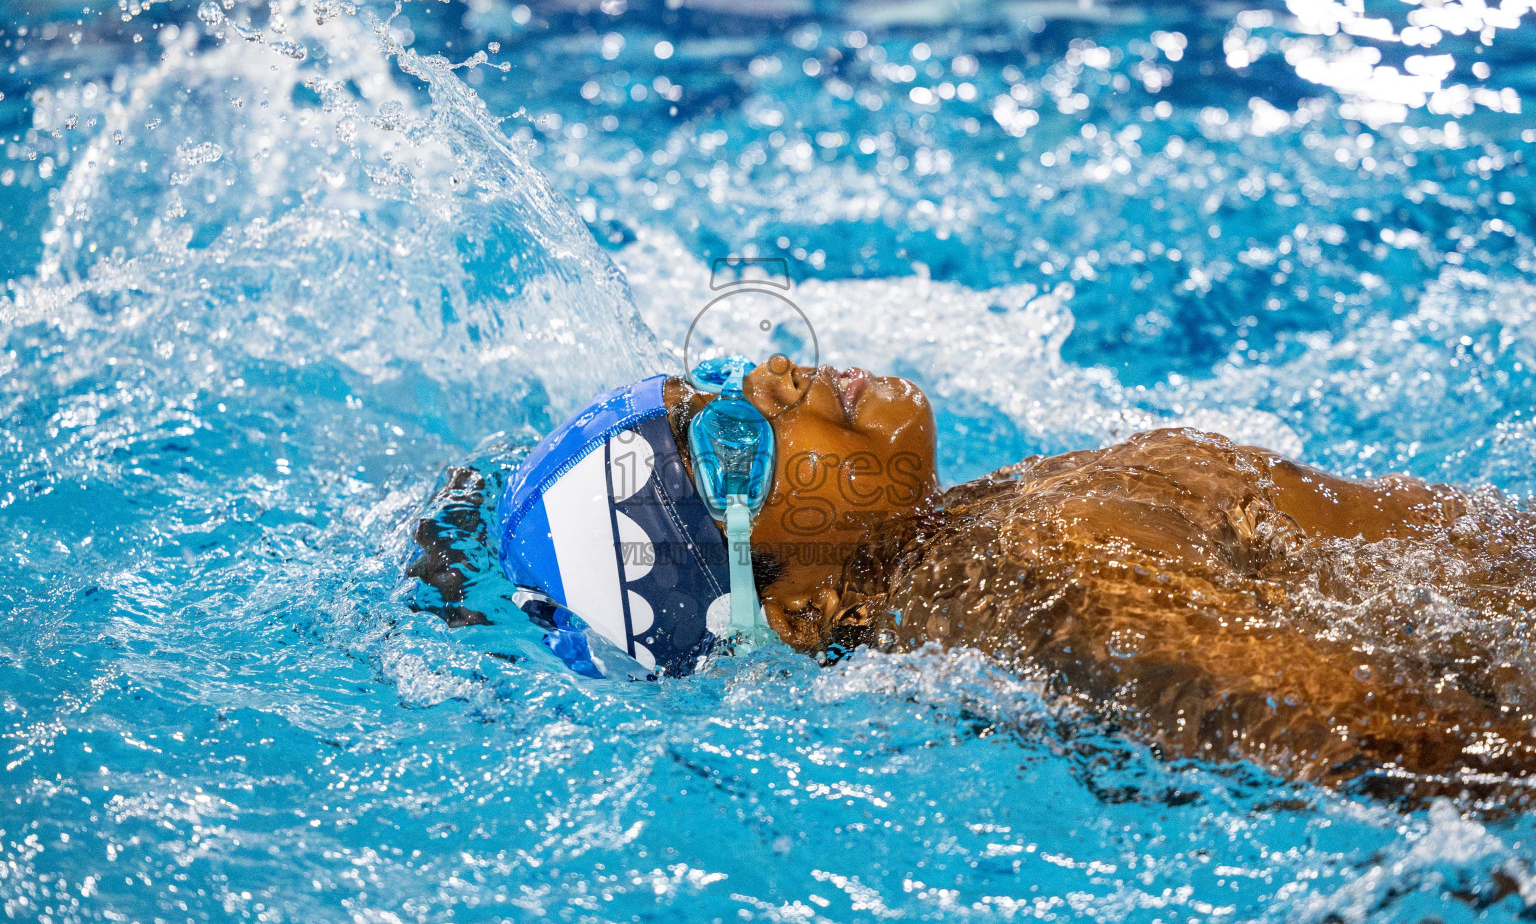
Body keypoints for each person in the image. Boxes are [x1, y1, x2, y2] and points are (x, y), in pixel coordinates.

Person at [409, 356, 1536, 798]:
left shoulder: (991, 537)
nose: (776, 373)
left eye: (719, 377)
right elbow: (1384, 738)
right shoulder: (1049, 574)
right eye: (732, 433)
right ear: (798, 606)